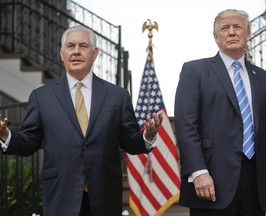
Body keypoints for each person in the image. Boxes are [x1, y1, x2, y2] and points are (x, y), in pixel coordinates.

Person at [0, 25, 163, 216]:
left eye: (83, 46)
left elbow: (129, 142)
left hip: (104, 198)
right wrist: (5, 135)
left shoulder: (117, 96)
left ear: (94, 53)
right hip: (61, 196)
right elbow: (29, 142)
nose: (76, 51)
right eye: (70, 46)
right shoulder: (41, 97)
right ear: (62, 54)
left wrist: (147, 135)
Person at [174, 9, 266, 216]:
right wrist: (198, 171)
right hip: (211, 181)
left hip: (258, 183)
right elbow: (186, 126)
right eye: (225, 28)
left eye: (238, 27)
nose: (232, 32)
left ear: (248, 34)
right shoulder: (194, 71)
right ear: (216, 37)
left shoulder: (265, 79)